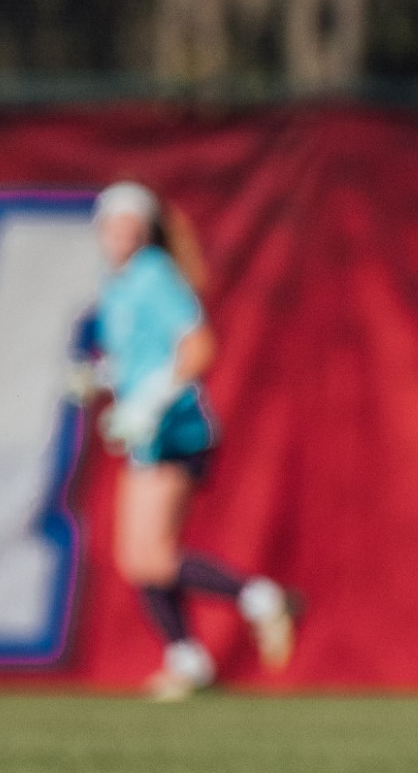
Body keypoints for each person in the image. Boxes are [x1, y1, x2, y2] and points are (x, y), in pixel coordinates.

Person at [78, 181, 299, 701]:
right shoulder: (119, 286)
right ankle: (187, 657)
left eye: (130, 224)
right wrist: (102, 379)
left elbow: (198, 347)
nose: (120, 234)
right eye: (113, 224)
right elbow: (140, 359)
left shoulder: (154, 277)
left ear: (146, 229)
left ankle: (260, 599)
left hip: (175, 428)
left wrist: (147, 403)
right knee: (135, 557)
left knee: (151, 557)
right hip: (146, 433)